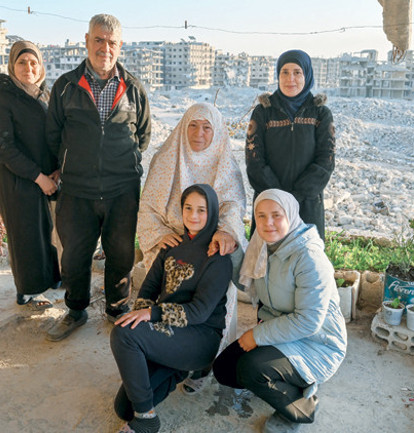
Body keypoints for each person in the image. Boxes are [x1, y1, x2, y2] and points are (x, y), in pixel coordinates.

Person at [45, 14, 151, 341]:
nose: (105, 47)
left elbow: (143, 136)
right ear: (87, 41)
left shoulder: (134, 88)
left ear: (120, 46)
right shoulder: (65, 86)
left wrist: (120, 164)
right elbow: (53, 134)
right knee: (76, 253)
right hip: (77, 189)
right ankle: (75, 309)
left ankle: (117, 309)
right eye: (99, 40)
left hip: (122, 190)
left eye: (112, 42)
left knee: (120, 253)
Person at [212, 189, 347, 433]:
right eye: (261, 216)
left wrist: (256, 336)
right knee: (224, 370)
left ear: (291, 215)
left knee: (251, 369)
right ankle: (278, 380)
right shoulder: (263, 245)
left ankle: (301, 408)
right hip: (282, 332)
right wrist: (231, 250)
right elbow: (247, 280)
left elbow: (308, 321)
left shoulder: (309, 257)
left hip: (318, 343)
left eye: (276, 215)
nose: (268, 223)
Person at [110, 184, 232, 433]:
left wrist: (151, 315)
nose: (193, 216)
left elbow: (199, 312)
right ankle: (174, 369)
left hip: (200, 337)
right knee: (123, 408)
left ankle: (146, 419)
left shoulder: (218, 257)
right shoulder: (171, 245)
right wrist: (141, 315)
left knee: (124, 334)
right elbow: (149, 288)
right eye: (188, 208)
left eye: (201, 210)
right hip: (168, 332)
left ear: (213, 213)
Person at [0, 40, 60, 310]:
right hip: (16, 179)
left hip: (43, 178)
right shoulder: (1, 96)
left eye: (33, 62)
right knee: (25, 235)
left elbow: (53, 136)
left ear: (40, 66)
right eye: (22, 62)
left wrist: (58, 169)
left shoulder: (43, 95)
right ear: (12, 65)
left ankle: (47, 280)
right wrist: (39, 177)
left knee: (43, 230)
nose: (28, 67)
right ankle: (27, 292)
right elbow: (2, 148)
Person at [137, 102, 246, 272]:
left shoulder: (226, 165)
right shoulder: (165, 160)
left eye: (206, 127)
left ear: (216, 131)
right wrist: (159, 233)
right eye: (193, 125)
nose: (198, 133)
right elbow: (148, 207)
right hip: (173, 239)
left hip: (212, 242)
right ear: (183, 127)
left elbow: (233, 206)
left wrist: (225, 232)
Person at [245, 49, 336, 242]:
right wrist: (278, 198)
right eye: (284, 72)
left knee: (306, 261)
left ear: (307, 75)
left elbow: (325, 161)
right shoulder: (263, 113)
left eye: (297, 72)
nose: (290, 79)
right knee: (266, 263)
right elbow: (254, 160)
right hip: (270, 204)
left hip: (307, 203)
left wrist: (296, 197)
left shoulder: (320, 114)